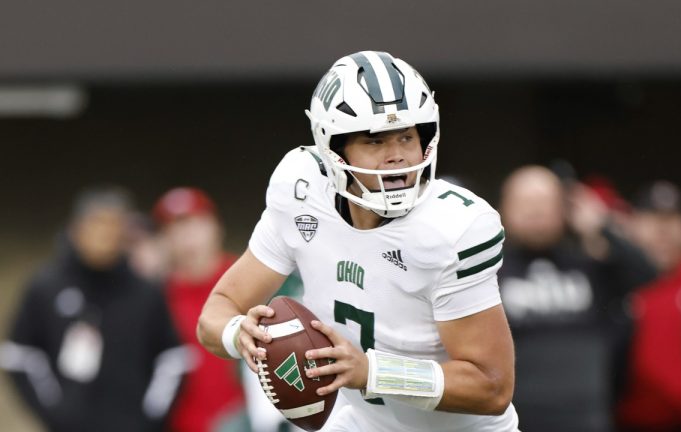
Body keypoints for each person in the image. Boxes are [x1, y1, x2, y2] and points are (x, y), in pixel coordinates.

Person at [196, 50, 519, 432]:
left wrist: (371, 372)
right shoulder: (301, 191)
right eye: (375, 141)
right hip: (362, 423)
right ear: (334, 149)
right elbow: (215, 315)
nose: (397, 156)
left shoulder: (455, 227)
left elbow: (492, 387)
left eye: (406, 136)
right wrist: (240, 336)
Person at [0, 186, 185, 432]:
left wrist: (149, 416)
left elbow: (173, 358)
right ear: (77, 229)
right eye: (97, 224)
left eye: (114, 226)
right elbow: (19, 355)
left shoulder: (145, 292)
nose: (105, 235)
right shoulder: (46, 287)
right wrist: (56, 411)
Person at [497, 166, 656, 432]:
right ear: (502, 208)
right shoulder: (488, 272)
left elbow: (646, 275)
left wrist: (601, 226)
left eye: (545, 202)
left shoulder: (587, 268)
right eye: (525, 202)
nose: (535, 211)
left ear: (564, 209)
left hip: (584, 418)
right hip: (512, 420)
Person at [616, 181, 681, 432]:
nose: (663, 231)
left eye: (674, 220)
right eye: (652, 219)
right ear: (631, 225)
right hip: (626, 420)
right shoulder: (614, 281)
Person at [152, 187, 247, 432]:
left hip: (248, 423)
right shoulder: (156, 298)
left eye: (196, 225)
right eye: (176, 229)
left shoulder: (247, 282)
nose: (188, 237)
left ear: (216, 227)